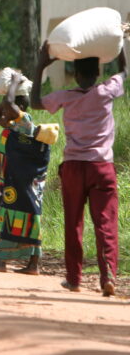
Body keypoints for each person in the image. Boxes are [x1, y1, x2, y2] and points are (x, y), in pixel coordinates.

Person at [31, 42, 126, 296]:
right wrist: (119, 44)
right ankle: (108, 277)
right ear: (97, 73)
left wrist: (41, 65)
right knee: (105, 223)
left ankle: (74, 279)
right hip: (101, 167)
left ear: (75, 73)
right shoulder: (107, 90)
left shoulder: (64, 96)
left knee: (74, 223)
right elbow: (124, 71)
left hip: (73, 166)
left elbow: (35, 102)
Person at [0, 71, 56, 275]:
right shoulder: (14, 126)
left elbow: (8, 107)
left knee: (23, 218)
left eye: (10, 107)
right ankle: (24, 263)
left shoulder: (25, 122)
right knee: (15, 217)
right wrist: (9, 92)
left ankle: (10, 262)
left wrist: (14, 83)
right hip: (13, 183)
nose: (5, 112)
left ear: (19, 107)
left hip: (21, 185)